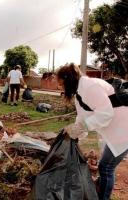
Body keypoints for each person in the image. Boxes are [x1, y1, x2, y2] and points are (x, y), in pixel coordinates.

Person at [56, 63, 128, 200]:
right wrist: (74, 131)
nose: (61, 88)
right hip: (118, 130)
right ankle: (99, 190)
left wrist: (80, 127)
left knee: (106, 167)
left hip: (124, 130)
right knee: (105, 166)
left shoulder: (89, 87)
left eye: (61, 84)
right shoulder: (80, 91)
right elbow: (82, 117)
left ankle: (102, 197)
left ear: (68, 80)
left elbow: (105, 114)